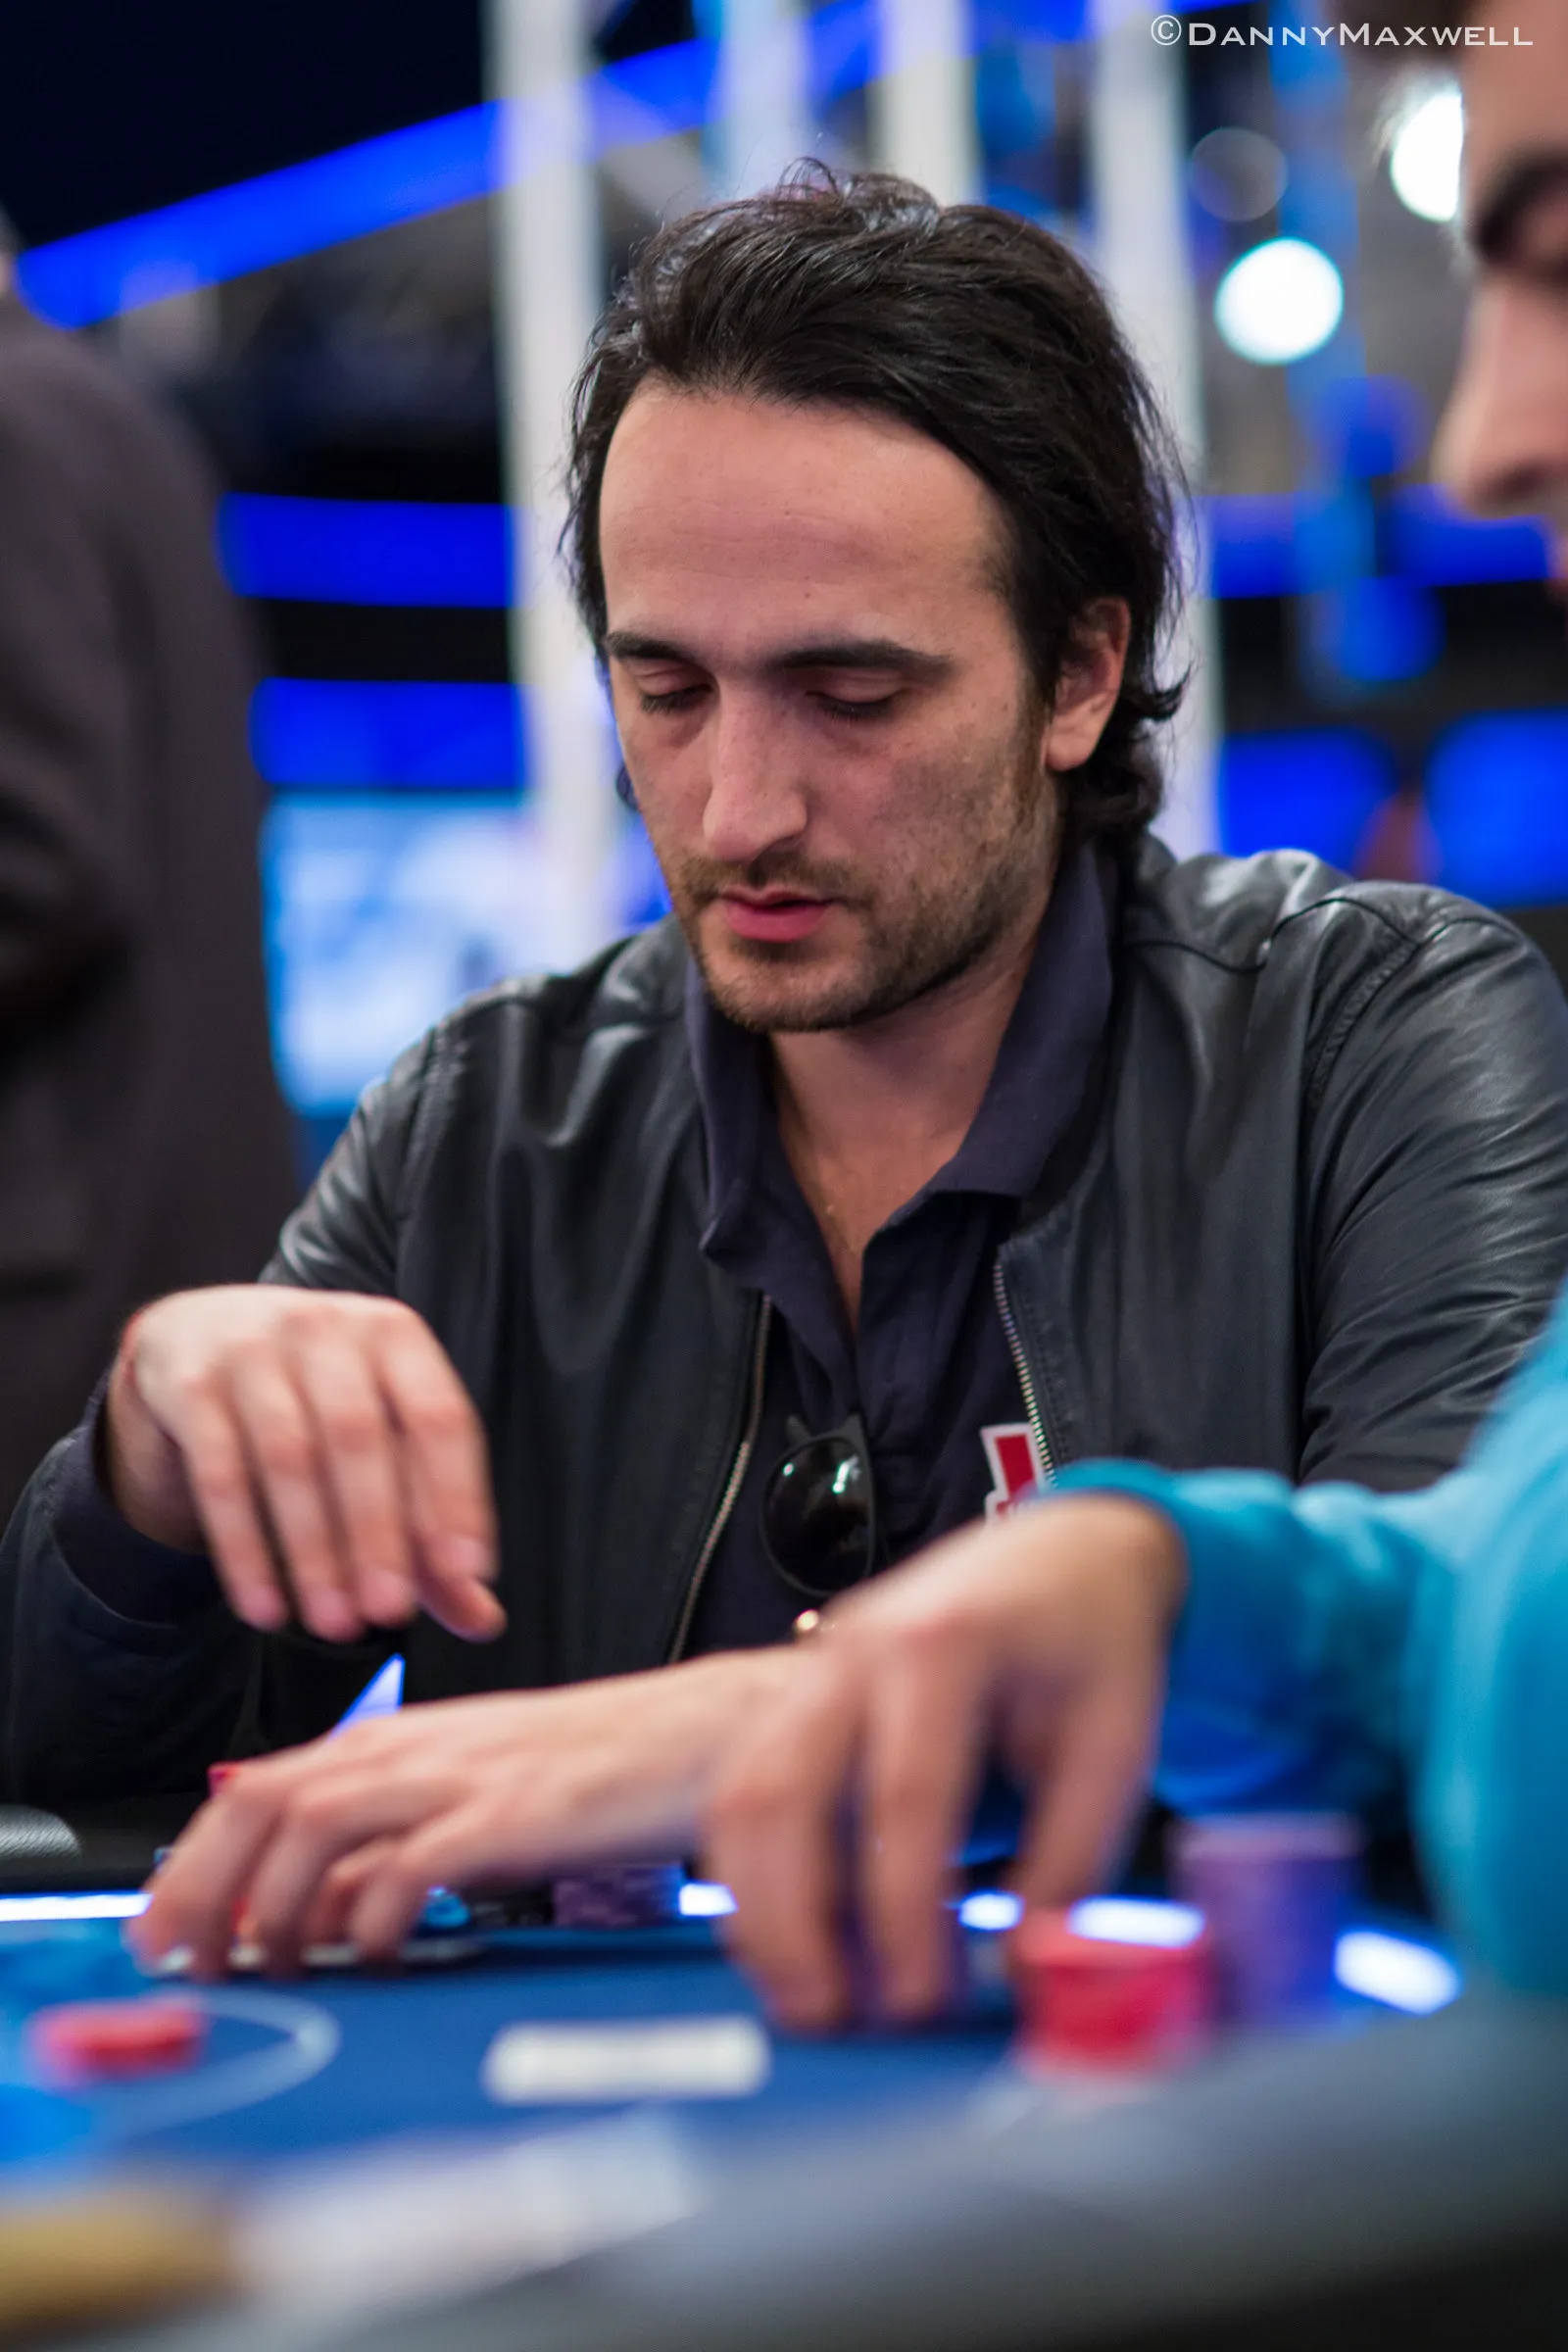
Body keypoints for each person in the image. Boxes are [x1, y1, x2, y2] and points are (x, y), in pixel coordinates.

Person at [35, 144, 1568, 1972]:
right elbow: (82, 1789)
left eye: (851, 697)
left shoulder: (1370, 1042)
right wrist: (140, 1483)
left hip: (1205, 2130)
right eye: (666, 690)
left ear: (1082, 674)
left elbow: (1461, 1709)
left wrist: (747, 1737)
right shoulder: (488, 1125)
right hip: (592, 2143)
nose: (735, 810)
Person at [0, 233, 295, 1531]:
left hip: (56, 1261)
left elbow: (43, 854)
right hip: (150, 1231)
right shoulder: (106, 415)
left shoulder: (14, 429)